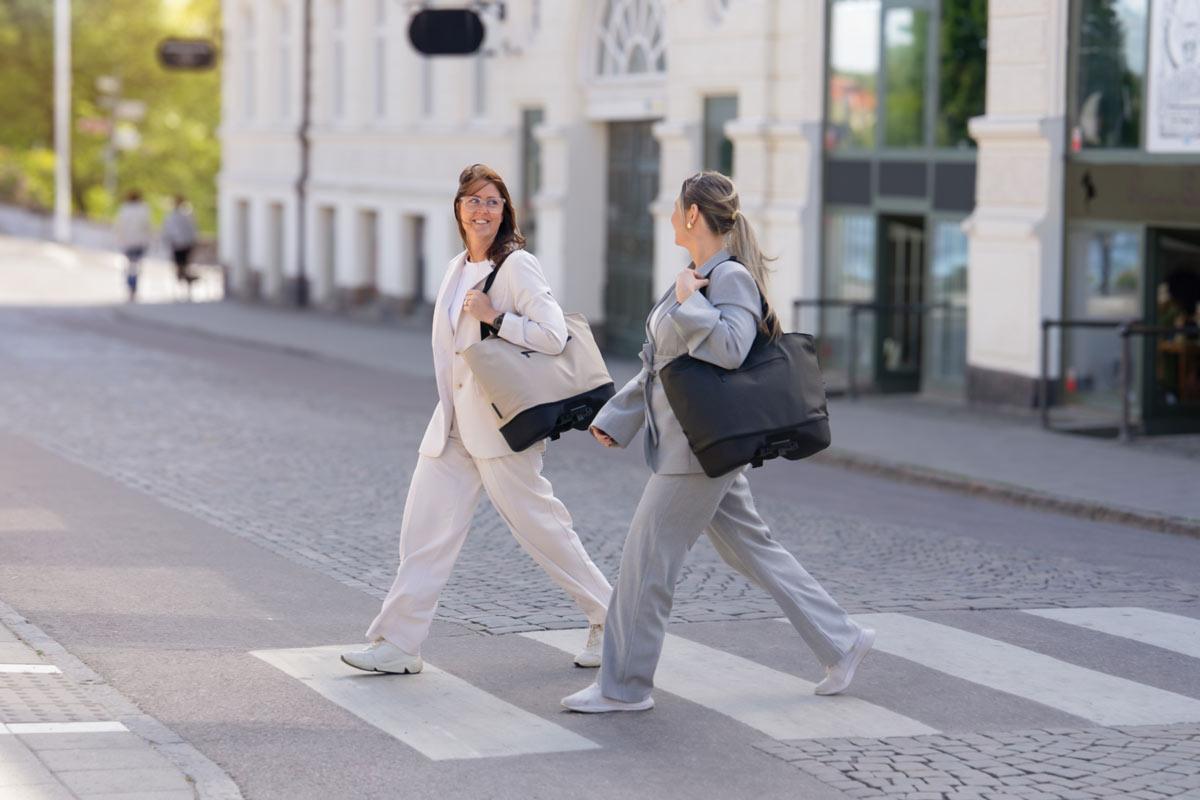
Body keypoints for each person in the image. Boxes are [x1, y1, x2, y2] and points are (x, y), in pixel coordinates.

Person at [562, 171, 874, 713]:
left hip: (697, 451)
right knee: (752, 550)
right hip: (699, 443)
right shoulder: (693, 273)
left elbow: (731, 348)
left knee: (646, 563)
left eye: (675, 206)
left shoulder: (728, 278)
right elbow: (661, 365)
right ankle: (841, 640)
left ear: (691, 215)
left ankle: (624, 687)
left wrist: (688, 303)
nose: (669, 215)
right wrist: (619, 416)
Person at [341, 164, 612, 675]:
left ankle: (613, 619)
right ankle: (399, 643)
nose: (482, 210)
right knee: (423, 533)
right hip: (452, 427)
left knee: (542, 530)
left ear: (505, 211)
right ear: (458, 209)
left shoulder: (518, 266)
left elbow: (554, 335)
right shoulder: (454, 268)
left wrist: (497, 318)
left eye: (492, 201)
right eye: (473, 200)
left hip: (502, 426)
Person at [114, 190, 152, 301]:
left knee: (130, 265)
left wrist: (119, 239)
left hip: (127, 242)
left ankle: (130, 286)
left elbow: (119, 226)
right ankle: (134, 286)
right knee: (137, 265)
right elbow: (148, 226)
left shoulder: (124, 209)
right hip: (139, 242)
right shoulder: (144, 210)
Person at [163, 196, 199, 300]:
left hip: (179, 244)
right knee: (184, 266)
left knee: (181, 266)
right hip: (184, 244)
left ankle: (182, 287)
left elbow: (167, 230)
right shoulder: (185, 214)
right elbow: (193, 229)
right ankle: (184, 288)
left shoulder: (179, 215)